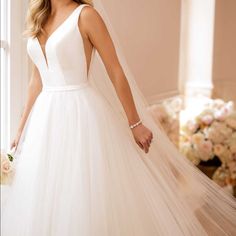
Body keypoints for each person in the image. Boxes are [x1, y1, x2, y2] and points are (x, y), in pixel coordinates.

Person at [2, 1, 236, 235]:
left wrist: (135, 122)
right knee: (44, 191)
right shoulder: (39, 17)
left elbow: (115, 69)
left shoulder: (85, 15)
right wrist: (21, 129)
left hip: (80, 115)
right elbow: (37, 80)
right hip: (45, 118)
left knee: (80, 189)